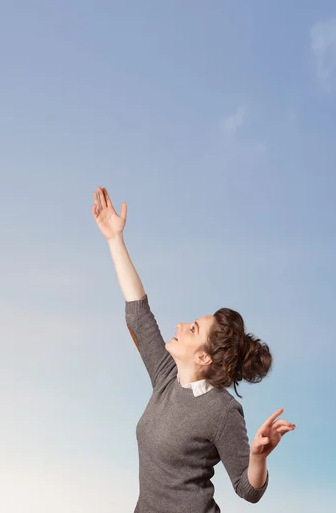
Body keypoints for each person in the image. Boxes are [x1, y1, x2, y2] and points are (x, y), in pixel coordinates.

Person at [92, 186, 296, 513]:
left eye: (193, 329)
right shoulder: (165, 377)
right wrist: (115, 239)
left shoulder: (221, 411)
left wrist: (258, 457)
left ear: (204, 357)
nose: (181, 326)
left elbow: (248, 489)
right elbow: (138, 312)